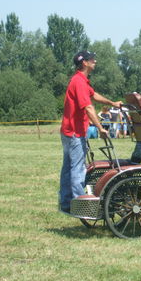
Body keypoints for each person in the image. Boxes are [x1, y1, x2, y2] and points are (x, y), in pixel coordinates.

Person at [59, 50, 122, 214]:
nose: (95, 61)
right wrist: (101, 128)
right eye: (92, 59)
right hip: (74, 132)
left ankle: (66, 203)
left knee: (68, 169)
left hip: (68, 131)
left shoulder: (81, 80)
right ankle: (81, 207)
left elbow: (93, 96)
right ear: (84, 63)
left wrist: (112, 103)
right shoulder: (78, 82)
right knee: (77, 169)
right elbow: (88, 107)